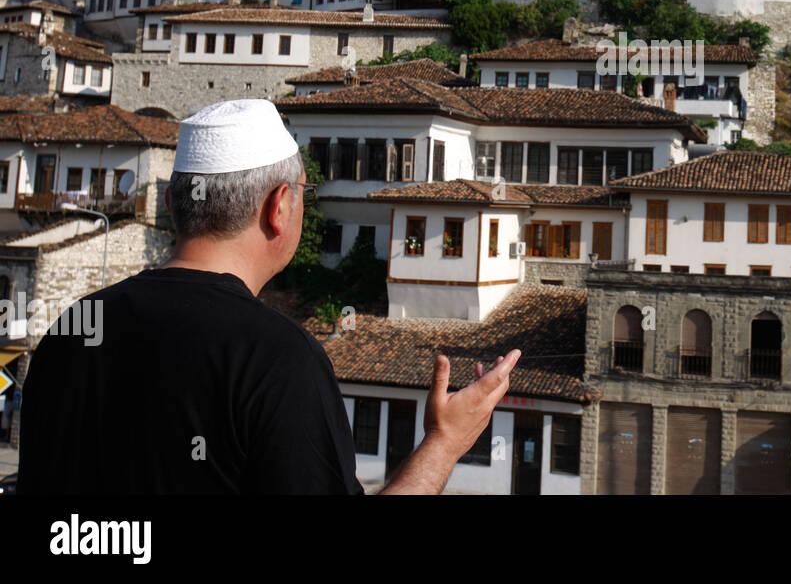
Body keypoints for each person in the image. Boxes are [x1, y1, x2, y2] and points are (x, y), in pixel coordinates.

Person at [18, 99, 519, 494]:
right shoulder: (278, 361)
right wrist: (445, 442)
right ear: (280, 206)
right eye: (304, 192)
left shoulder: (72, 329)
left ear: (173, 204)